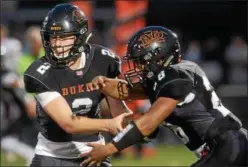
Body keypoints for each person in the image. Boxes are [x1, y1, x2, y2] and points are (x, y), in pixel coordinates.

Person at [80, 26, 248, 167]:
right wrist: (102, 82)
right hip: (224, 146)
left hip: (227, 145)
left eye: (141, 62)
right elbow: (127, 91)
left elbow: (149, 122)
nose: (138, 68)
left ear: (158, 58)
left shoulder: (175, 76)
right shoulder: (165, 76)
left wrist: (109, 149)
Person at [23, 4, 132, 167]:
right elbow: (69, 123)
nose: (57, 44)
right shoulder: (40, 72)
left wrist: (137, 123)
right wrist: (110, 124)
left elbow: (119, 112)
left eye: (63, 37)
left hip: (94, 151)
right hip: (52, 156)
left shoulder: (103, 60)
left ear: (79, 36)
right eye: (53, 37)